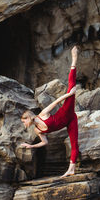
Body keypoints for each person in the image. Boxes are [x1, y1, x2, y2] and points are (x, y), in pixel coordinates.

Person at [20, 46, 79, 177]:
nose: (24, 125)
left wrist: (69, 95)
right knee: (74, 144)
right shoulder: (37, 130)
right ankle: (71, 169)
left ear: (28, 118)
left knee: (71, 86)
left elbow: (55, 103)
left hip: (66, 112)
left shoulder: (42, 115)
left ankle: (74, 59)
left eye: (24, 122)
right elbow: (45, 142)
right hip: (70, 121)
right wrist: (31, 147)